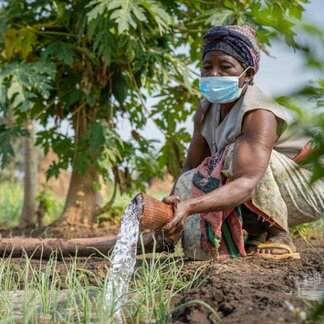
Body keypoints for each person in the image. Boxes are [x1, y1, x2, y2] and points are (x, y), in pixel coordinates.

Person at [159, 25, 324, 260]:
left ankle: (278, 233)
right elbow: (190, 167)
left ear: (247, 75)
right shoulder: (206, 109)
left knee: (235, 155)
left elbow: (248, 180)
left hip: (310, 191)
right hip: (266, 185)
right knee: (192, 178)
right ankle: (252, 233)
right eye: (207, 67)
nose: (214, 74)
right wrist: (170, 210)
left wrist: (190, 206)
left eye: (225, 67)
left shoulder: (258, 111)